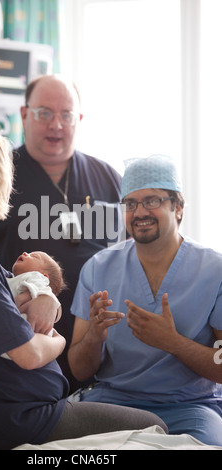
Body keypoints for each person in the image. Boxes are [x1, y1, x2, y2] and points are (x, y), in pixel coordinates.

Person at [0, 125, 167, 450]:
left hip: (5, 411)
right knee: (155, 427)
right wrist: (58, 338)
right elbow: (28, 354)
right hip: (15, 422)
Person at [68, 154, 222, 446]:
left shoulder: (214, 271)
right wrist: (94, 336)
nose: (140, 212)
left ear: (178, 207)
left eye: (152, 200)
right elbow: (79, 370)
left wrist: (173, 342)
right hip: (113, 403)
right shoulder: (98, 268)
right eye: (130, 204)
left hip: (189, 409)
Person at [0, 74, 124, 392]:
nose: (56, 125)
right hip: (22, 351)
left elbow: (134, 257)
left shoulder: (110, 180)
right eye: (44, 113)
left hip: (101, 353)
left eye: (66, 115)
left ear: (79, 119)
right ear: (24, 114)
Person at [6, 251, 66, 341]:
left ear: (44, 276)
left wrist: (45, 296)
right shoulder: (13, 280)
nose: (25, 253)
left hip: (24, 333)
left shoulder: (36, 277)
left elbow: (44, 289)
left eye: (34, 256)